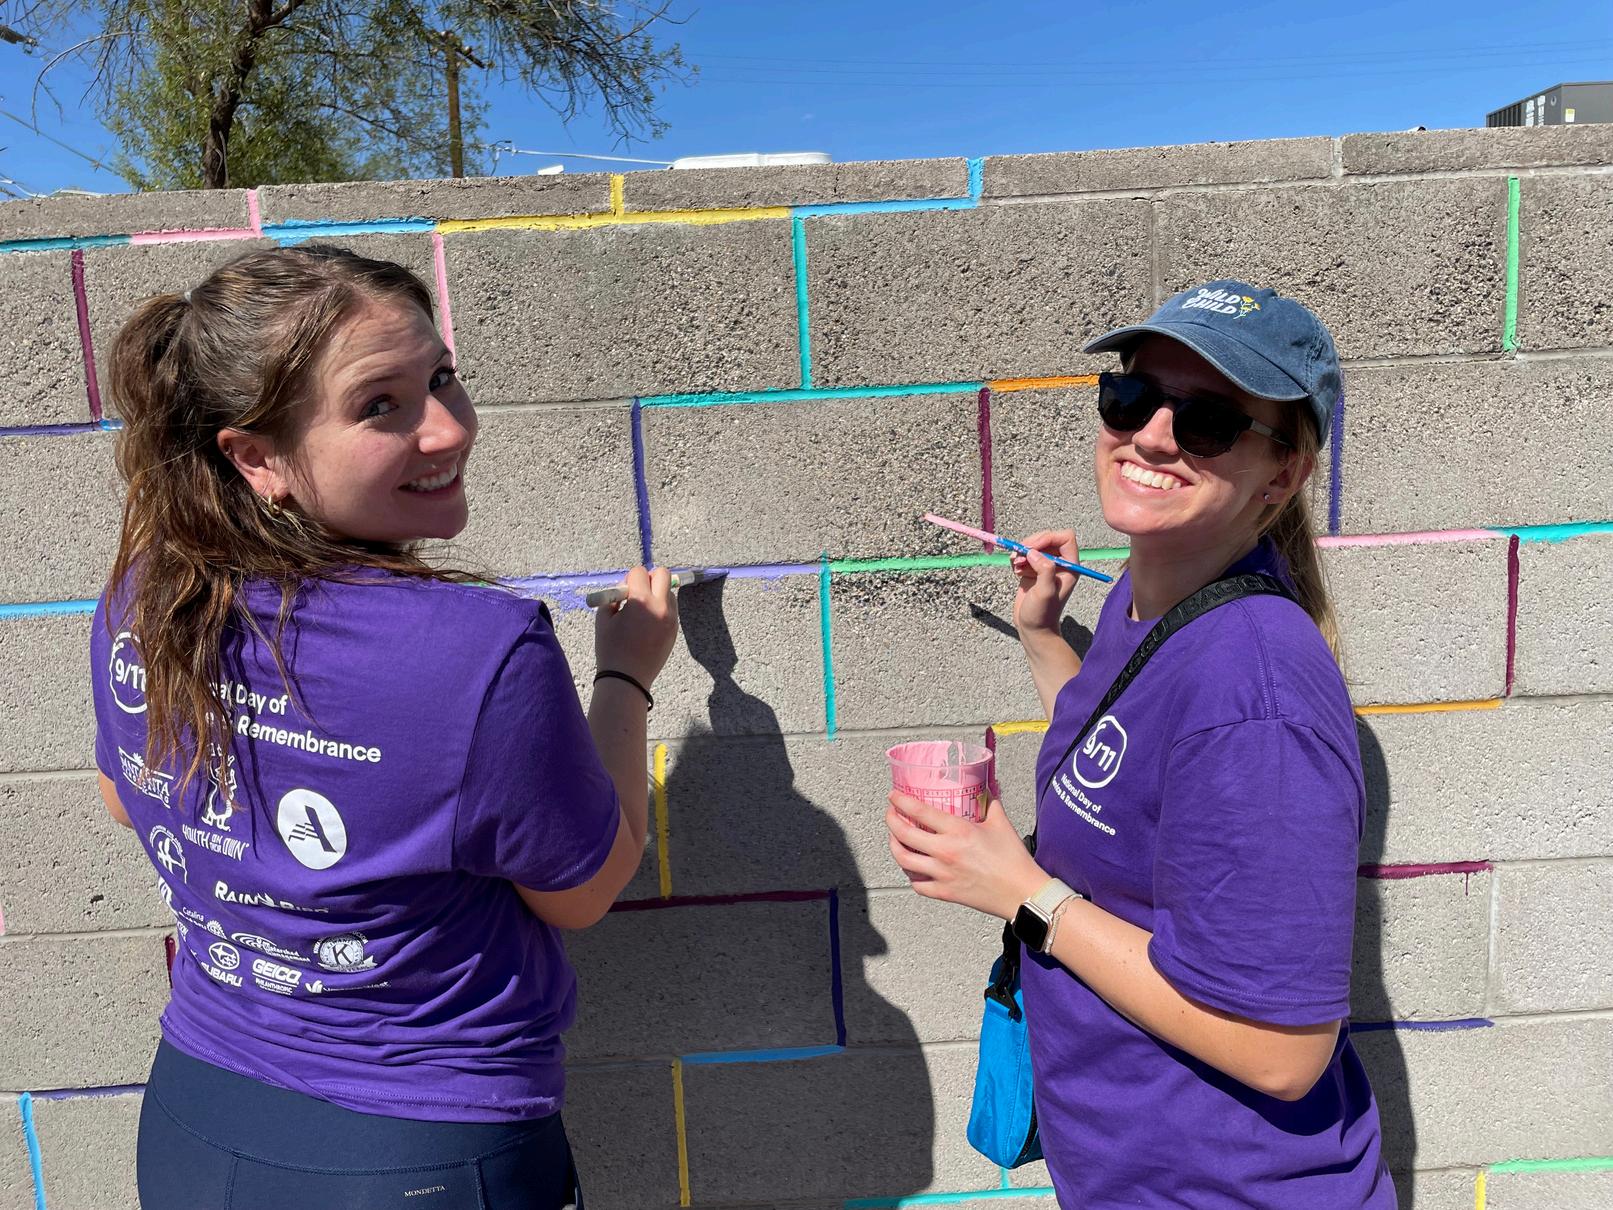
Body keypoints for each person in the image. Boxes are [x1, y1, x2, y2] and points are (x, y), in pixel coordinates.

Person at [90, 244, 679, 1208]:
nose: (448, 428)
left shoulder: (148, 593)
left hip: (197, 1119)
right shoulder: (480, 649)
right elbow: (582, 891)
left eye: (441, 378)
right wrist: (624, 675)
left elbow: (125, 798)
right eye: (379, 406)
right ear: (255, 457)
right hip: (422, 1151)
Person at [885, 281, 1396, 1208]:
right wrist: (1044, 636)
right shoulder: (1149, 591)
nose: (1152, 436)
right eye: (1130, 397)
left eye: (1207, 422)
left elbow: (1281, 1054)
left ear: (1280, 475)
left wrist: (1025, 894)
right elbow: (1120, 759)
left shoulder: (1256, 693)